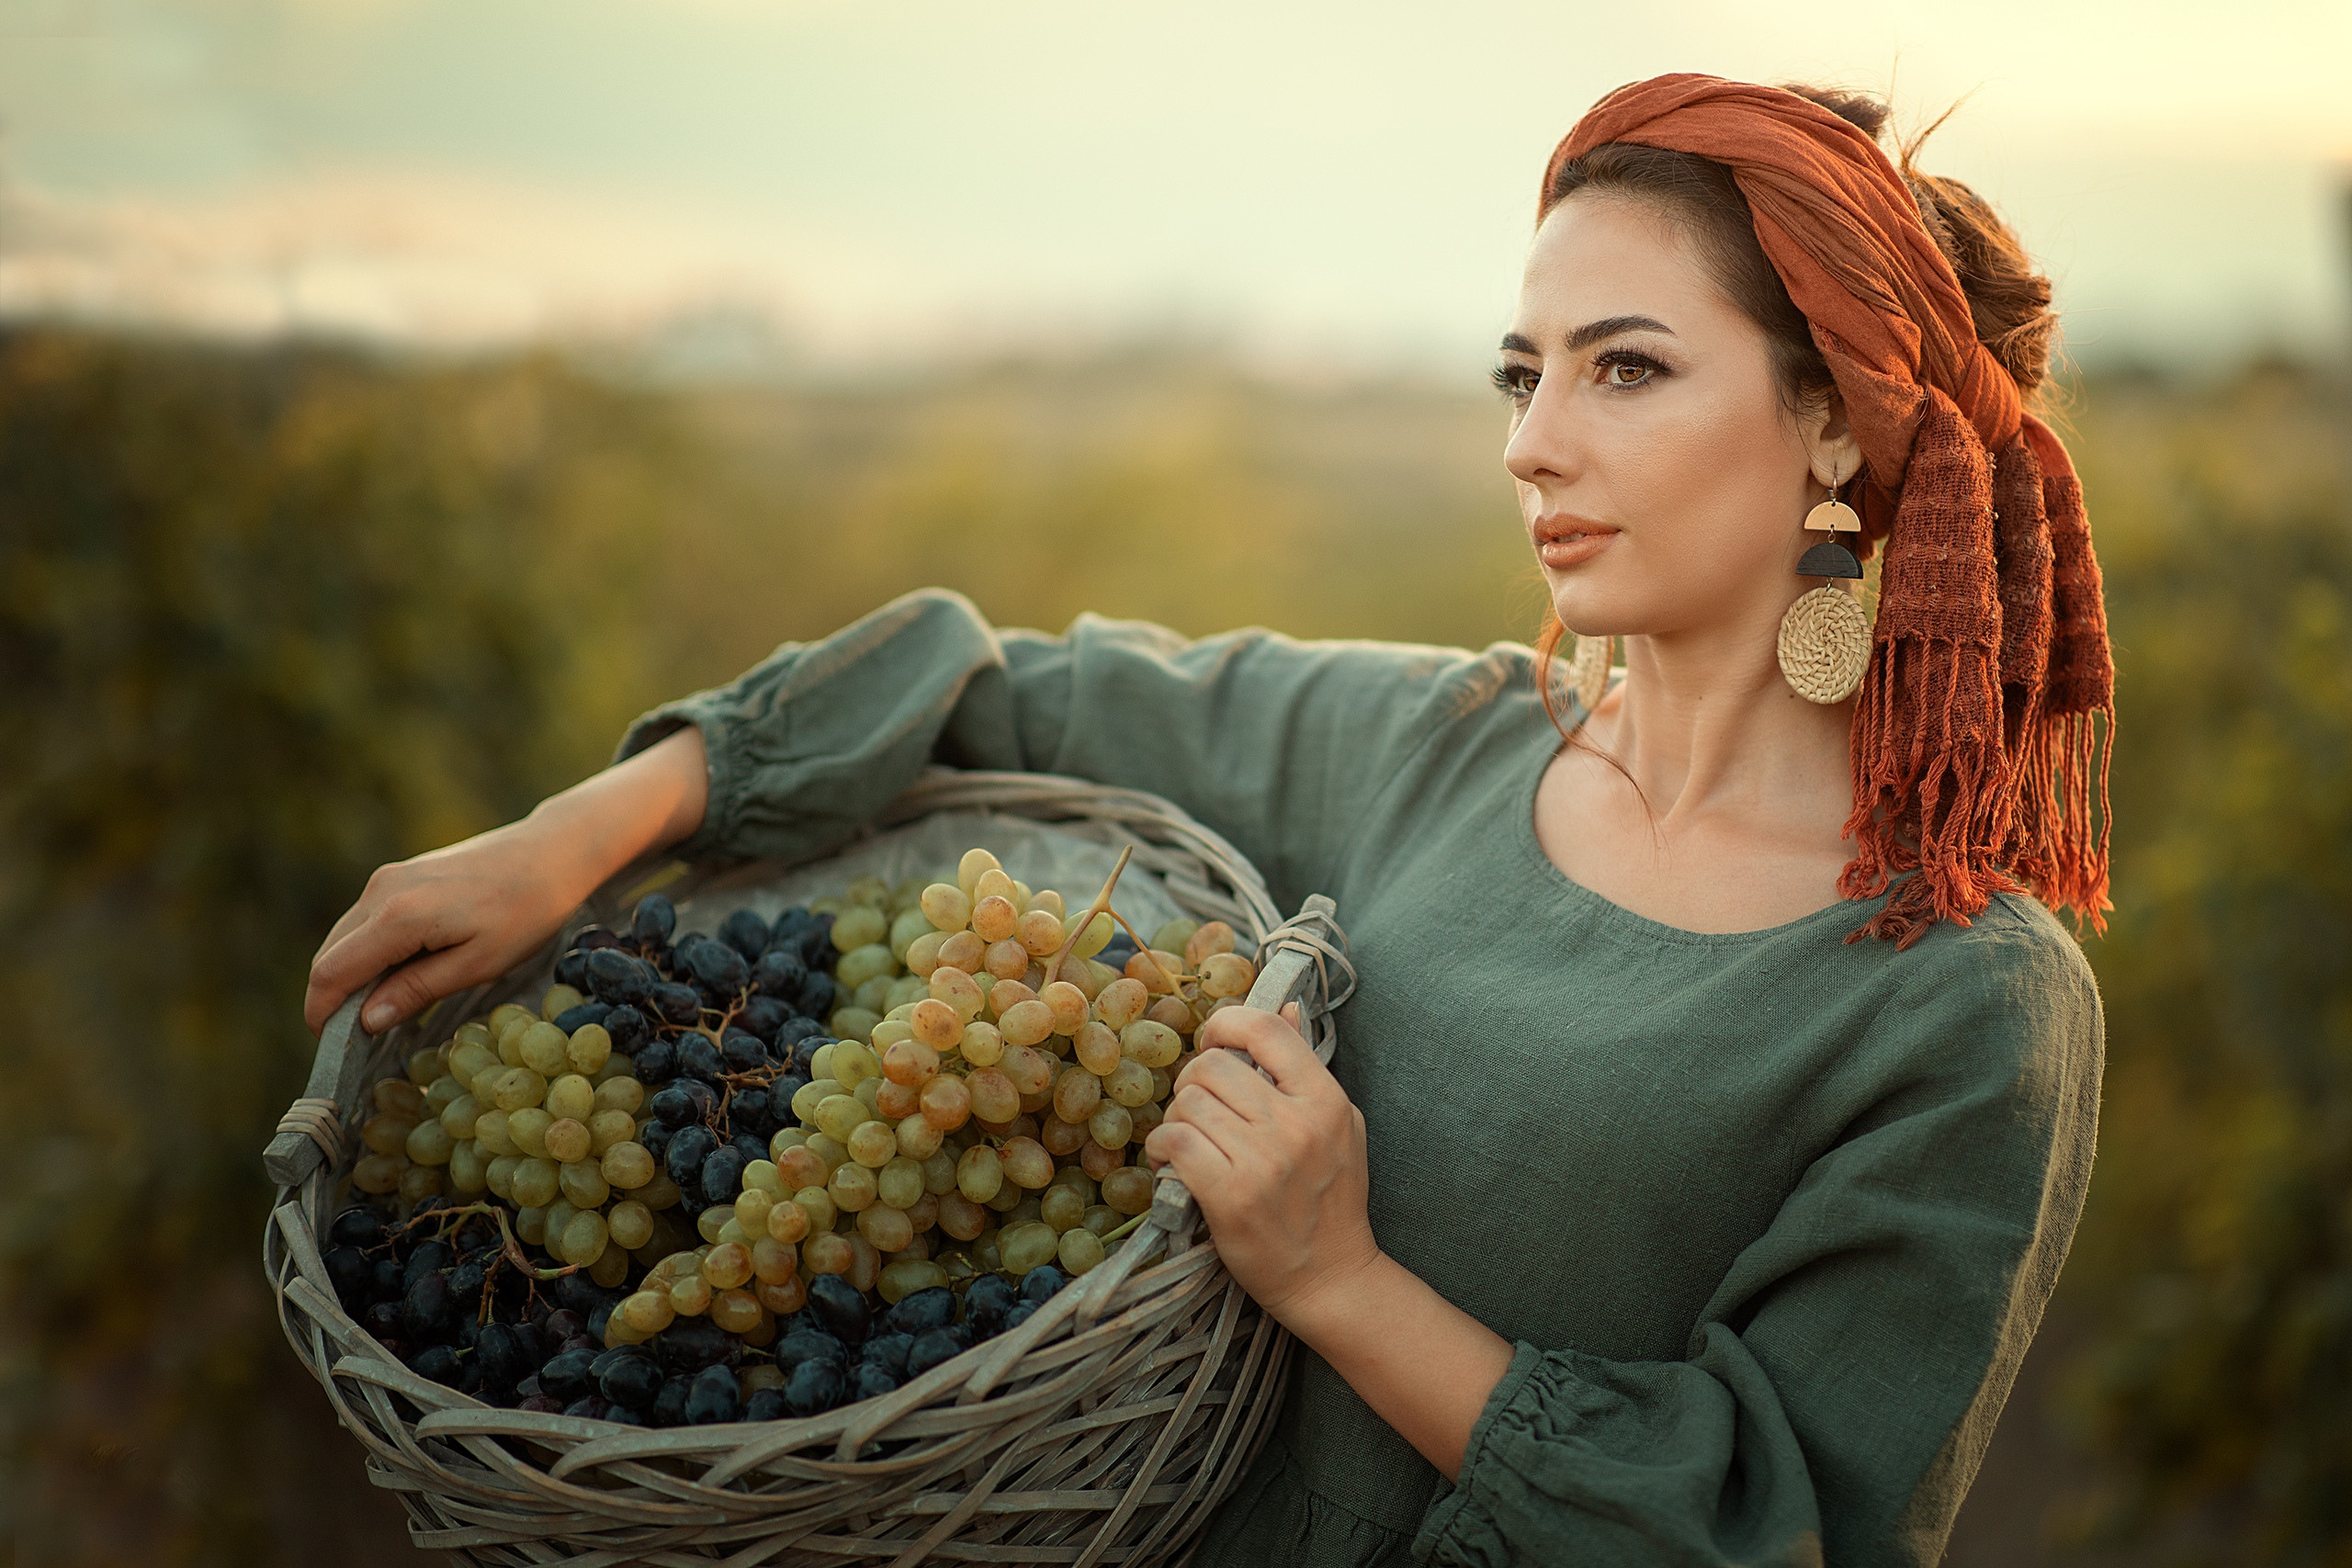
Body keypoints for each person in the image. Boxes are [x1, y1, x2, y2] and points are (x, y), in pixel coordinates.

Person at [307, 75, 2113, 1568]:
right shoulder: (1441, 742)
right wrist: (582, 827)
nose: (1530, 443)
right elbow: (999, 682)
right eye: (1520, 369)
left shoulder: (1956, 999)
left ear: (1826, 421)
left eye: (1621, 369)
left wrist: (1335, 1276)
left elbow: (1774, 1531)